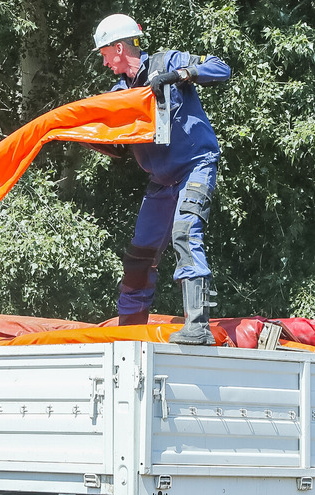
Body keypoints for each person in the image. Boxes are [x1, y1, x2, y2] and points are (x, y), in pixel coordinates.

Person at [92, 13, 231, 345]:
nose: (104, 61)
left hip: (196, 166)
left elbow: (220, 68)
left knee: (185, 232)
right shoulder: (119, 91)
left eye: (104, 53)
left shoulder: (166, 62)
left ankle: (197, 326)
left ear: (118, 47)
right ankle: (128, 332)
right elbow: (119, 147)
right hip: (160, 181)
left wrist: (180, 75)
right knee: (139, 256)